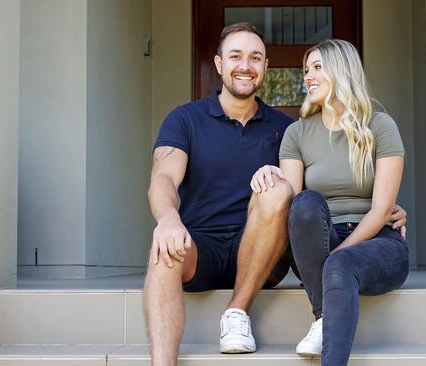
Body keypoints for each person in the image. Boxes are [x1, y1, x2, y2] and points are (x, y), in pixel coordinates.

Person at [145, 22, 407, 366]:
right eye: (235, 56)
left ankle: (238, 311)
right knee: (163, 249)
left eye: (255, 57)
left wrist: (385, 206)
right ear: (219, 64)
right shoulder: (186, 120)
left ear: (266, 67)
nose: (245, 65)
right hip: (202, 244)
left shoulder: (284, 127)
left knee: (279, 192)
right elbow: (163, 177)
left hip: (262, 252)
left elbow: (304, 199)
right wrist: (167, 219)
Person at [250, 39, 409, 365]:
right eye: (306, 70)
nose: (307, 76)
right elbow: (292, 205)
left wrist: (334, 258)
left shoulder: (380, 127)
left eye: (318, 68)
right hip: (318, 239)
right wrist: (270, 175)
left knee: (340, 264)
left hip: (378, 242)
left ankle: (325, 326)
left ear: (343, 70)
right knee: (305, 201)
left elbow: (381, 208)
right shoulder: (297, 133)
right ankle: (325, 314)